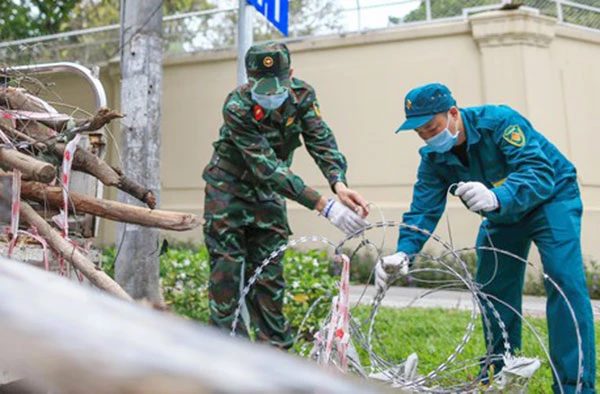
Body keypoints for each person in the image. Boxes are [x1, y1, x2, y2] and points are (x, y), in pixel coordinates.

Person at [376, 83, 596, 393]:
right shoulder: (433, 159)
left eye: (431, 127)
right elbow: (423, 209)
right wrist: (403, 253)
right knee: (492, 287)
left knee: (563, 281)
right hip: (503, 214)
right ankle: (498, 372)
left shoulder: (499, 122)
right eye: (420, 132)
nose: (427, 136)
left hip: (551, 199)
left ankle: (575, 385)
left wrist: (497, 196)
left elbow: (538, 170)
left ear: (453, 113)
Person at [202, 42, 369, 349]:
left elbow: (320, 139)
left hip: (269, 194)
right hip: (228, 190)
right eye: (262, 87)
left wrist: (339, 184)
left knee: (269, 274)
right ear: (249, 79)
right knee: (227, 273)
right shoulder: (236, 106)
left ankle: (274, 356)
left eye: (277, 85)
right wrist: (323, 206)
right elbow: (265, 166)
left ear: (290, 74)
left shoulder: (302, 95)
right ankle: (225, 354)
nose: (270, 94)